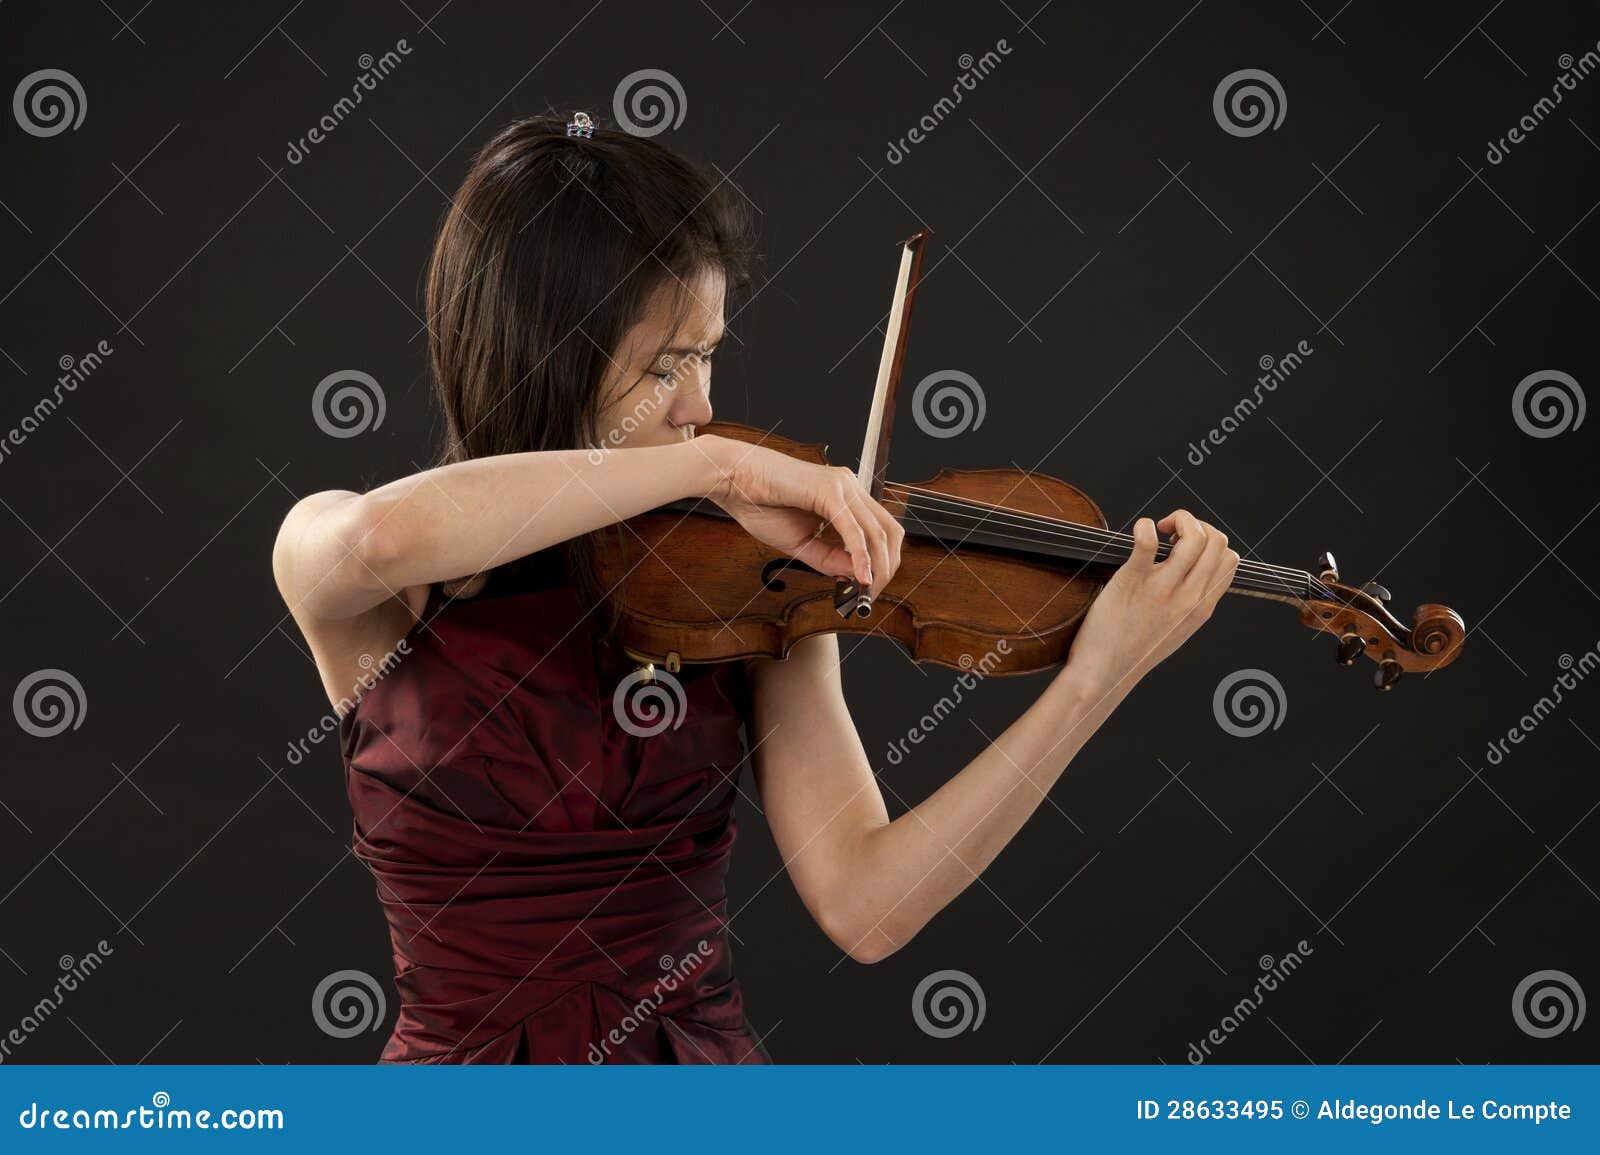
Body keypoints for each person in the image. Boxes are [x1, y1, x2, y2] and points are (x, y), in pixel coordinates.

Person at [271, 112, 1239, 1063]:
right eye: (666, 365)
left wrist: (1094, 681)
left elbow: (869, 908)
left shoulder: (748, 591)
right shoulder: (367, 573)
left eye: (708, 354)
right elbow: (383, 533)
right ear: (546, 351)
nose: (703, 406)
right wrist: (718, 471)